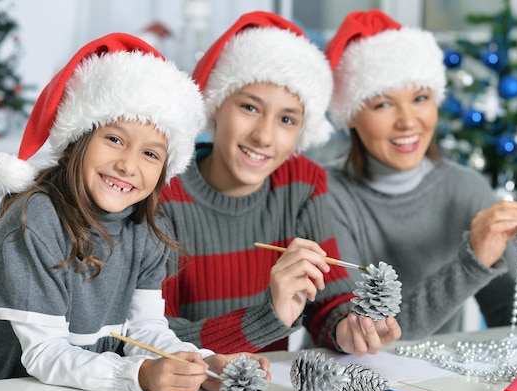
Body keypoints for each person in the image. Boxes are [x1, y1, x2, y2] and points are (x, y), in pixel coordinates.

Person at [0, 33, 268, 391]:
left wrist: (200, 365)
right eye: (115, 139)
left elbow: (145, 328)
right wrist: (137, 375)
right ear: (79, 137)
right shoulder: (36, 221)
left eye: (151, 155)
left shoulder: (146, 230)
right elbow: (43, 355)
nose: (128, 165)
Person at [323, 10, 517, 340]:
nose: (408, 121)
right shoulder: (324, 194)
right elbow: (365, 339)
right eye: (383, 104)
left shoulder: (465, 189)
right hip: (340, 385)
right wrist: (470, 264)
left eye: (420, 98)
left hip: (432, 386)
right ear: (350, 115)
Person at [159, 11, 401, 356]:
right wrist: (268, 317)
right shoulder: (165, 191)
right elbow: (153, 337)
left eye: (287, 119)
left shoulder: (301, 182)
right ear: (216, 104)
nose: (264, 136)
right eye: (249, 107)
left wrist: (348, 327)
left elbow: (329, 298)